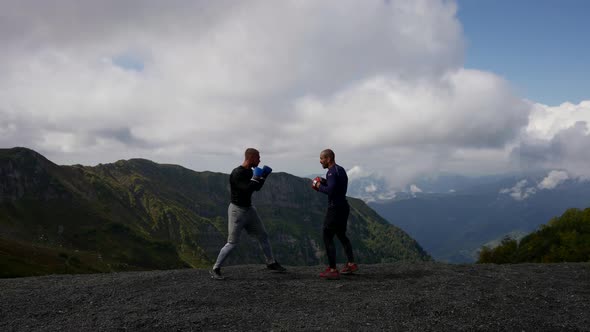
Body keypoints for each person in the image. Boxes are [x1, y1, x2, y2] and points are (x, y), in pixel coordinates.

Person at [210, 148, 286, 280]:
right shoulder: (237, 173)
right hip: (237, 211)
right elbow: (245, 189)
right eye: (258, 158)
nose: (259, 160)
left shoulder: (250, 171)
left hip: (249, 209)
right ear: (250, 158)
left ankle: (271, 262)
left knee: (263, 236)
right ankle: (215, 268)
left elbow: (255, 188)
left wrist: (263, 177)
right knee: (232, 243)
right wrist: (257, 177)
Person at [311, 149, 358, 280]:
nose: (320, 161)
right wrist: (324, 181)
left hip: (335, 209)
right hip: (344, 206)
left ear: (329, 158)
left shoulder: (331, 172)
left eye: (322, 159)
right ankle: (351, 263)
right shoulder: (340, 169)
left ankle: (332, 270)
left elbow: (331, 191)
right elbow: (337, 186)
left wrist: (318, 186)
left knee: (327, 236)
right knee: (342, 235)